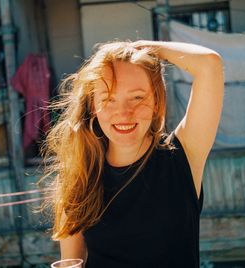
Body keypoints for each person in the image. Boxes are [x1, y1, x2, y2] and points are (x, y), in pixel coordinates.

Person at [39, 40, 224, 267]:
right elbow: (70, 263)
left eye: (137, 97)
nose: (124, 113)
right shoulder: (79, 175)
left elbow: (209, 64)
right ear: (93, 107)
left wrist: (143, 47)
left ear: (157, 101)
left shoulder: (183, 155)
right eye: (108, 99)